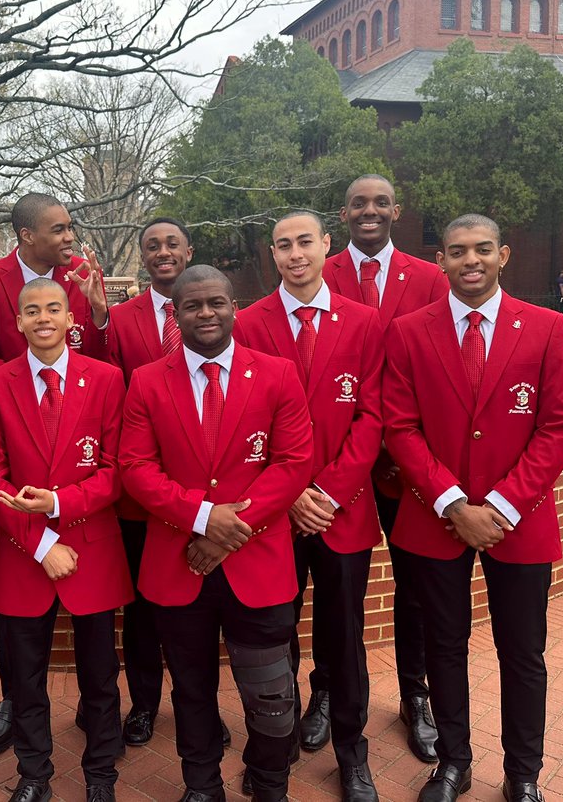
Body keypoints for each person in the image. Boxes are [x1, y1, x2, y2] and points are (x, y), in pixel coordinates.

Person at [383, 214, 563, 802]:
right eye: (457, 251)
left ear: (504, 255)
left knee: (522, 652)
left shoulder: (545, 327)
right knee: (442, 646)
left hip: (517, 521)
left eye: (482, 250)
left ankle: (523, 774)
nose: (471, 260)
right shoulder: (410, 331)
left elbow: (558, 426)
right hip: (434, 519)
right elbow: (401, 426)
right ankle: (453, 762)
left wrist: (498, 505)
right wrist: (452, 504)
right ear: (440, 259)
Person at [120, 265, 314, 802]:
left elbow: (294, 462)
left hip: (260, 567)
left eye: (216, 304)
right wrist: (205, 518)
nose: (205, 314)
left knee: (271, 696)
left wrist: (232, 528)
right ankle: (202, 787)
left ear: (235, 306)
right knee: (192, 692)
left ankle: (270, 781)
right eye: (192, 306)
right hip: (178, 568)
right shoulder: (147, 380)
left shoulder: (277, 374)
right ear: (175, 314)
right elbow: (136, 469)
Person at [235, 212, 384, 802]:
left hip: (342, 512)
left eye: (305, 242)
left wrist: (328, 491)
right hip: (275, 513)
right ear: (272, 255)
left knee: (344, 639)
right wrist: (291, 493)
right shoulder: (247, 324)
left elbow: (373, 416)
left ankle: (352, 755)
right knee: (273, 638)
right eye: (283, 245)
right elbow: (246, 422)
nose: (295, 254)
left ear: (327, 246)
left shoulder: (366, 323)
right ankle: (274, 749)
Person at [0, 277, 132, 802]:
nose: (43, 318)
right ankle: (34, 774)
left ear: (71, 319)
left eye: (54, 309)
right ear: (18, 322)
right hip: (25, 554)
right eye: (32, 311)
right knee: (24, 678)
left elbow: (116, 471)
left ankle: (100, 777)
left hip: (92, 549)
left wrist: (61, 504)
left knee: (100, 679)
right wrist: (42, 543)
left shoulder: (107, 380)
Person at [0, 191, 111, 753]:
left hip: (71, 436)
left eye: (71, 227)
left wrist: (96, 312)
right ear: (27, 235)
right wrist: (24, 384)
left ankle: (98, 746)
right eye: (60, 228)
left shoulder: (74, 279)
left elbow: (92, 354)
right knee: (21, 651)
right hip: (15, 412)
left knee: (97, 656)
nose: (70, 237)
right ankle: (15, 709)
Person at [321, 174, 447, 763]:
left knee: (415, 588)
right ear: (342, 214)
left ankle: (415, 697)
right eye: (357, 204)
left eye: (379, 202)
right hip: (336, 463)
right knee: (334, 589)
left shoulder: (427, 278)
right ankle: (327, 689)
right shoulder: (318, 271)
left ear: (397, 209)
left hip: (404, 465)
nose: (368, 212)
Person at [106, 217, 227, 749]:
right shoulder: (121, 319)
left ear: (188, 250)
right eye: (152, 245)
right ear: (143, 255)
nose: (162, 252)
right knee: (143, 610)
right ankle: (144, 703)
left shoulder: (215, 311)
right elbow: (113, 397)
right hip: (144, 495)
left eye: (172, 244)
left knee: (206, 611)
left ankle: (200, 706)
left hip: (208, 493)